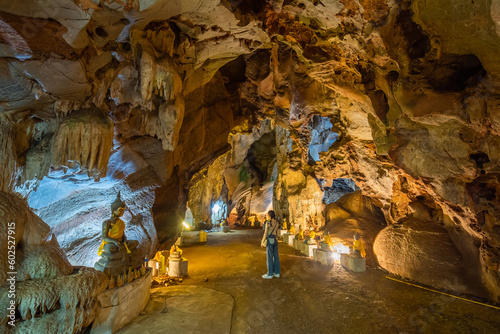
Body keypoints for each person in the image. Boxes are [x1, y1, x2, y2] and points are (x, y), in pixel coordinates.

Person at [261, 210, 280, 279]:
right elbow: (277, 232)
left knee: (269, 257)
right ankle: (277, 273)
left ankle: (270, 273)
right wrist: (277, 238)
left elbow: (265, 233)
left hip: (270, 240)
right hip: (275, 240)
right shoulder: (277, 223)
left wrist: (262, 241)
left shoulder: (268, 223)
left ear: (269, 215)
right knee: (276, 256)